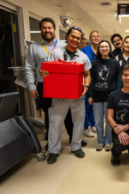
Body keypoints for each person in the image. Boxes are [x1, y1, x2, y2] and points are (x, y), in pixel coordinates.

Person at [25, 17, 87, 151]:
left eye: (50, 28)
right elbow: (29, 68)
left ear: (54, 30)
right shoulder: (33, 47)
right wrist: (31, 86)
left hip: (66, 85)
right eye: (44, 28)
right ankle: (51, 140)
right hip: (44, 85)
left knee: (70, 114)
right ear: (40, 29)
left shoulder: (64, 45)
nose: (47, 30)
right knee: (50, 114)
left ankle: (73, 139)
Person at [39, 26, 91, 164]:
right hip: (59, 95)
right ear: (67, 36)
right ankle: (53, 150)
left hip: (77, 96)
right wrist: (42, 73)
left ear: (81, 40)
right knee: (55, 122)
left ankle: (76, 146)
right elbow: (45, 70)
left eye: (78, 38)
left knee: (78, 122)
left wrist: (86, 86)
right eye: (73, 36)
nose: (75, 40)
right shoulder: (55, 53)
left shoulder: (83, 56)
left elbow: (88, 74)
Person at [88, 40, 122, 151]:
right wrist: (90, 95)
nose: (104, 48)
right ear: (99, 49)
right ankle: (100, 142)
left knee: (109, 121)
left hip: (110, 96)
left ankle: (108, 141)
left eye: (106, 46)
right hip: (97, 95)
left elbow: (118, 79)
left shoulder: (114, 63)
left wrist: (117, 94)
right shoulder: (94, 63)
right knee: (98, 121)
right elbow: (91, 79)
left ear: (109, 48)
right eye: (101, 47)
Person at [81, 30, 101, 137]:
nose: (96, 38)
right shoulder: (84, 50)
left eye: (97, 36)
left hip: (97, 82)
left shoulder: (101, 50)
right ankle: (85, 127)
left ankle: (93, 124)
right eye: (93, 36)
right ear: (90, 39)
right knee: (86, 105)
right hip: (86, 80)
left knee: (93, 104)